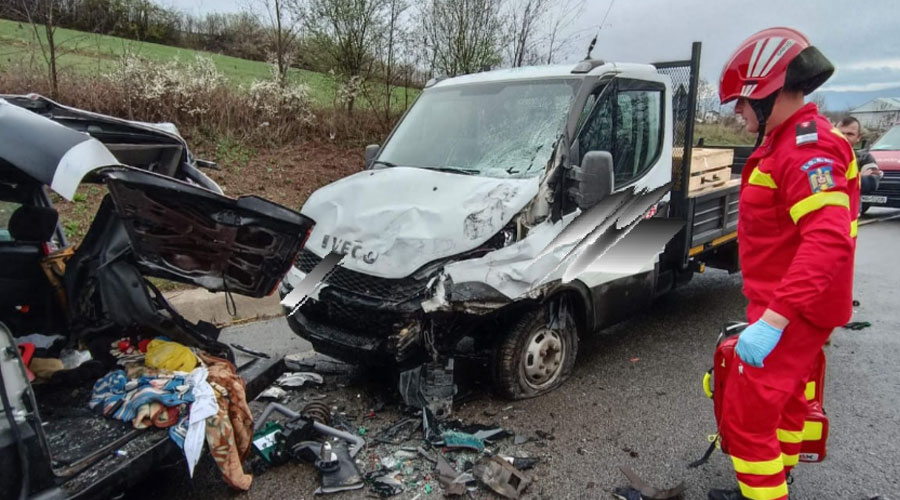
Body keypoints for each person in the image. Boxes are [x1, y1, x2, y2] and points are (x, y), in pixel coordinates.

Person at [711, 27, 858, 500]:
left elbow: (827, 239)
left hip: (791, 310)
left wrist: (774, 321)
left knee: (747, 419)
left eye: (741, 100)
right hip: (793, 305)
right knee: (790, 401)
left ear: (768, 90)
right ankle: (783, 472)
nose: (737, 111)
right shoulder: (788, 141)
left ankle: (763, 489)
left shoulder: (806, 149)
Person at [837, 116, 882, 199]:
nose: (844, 137)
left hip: (851, 207)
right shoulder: (822, 156)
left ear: (858, 138)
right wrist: (859, 178)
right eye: (841, 133)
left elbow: (872, 183)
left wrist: (837, 179)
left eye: (850, 134)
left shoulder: (864, 158)